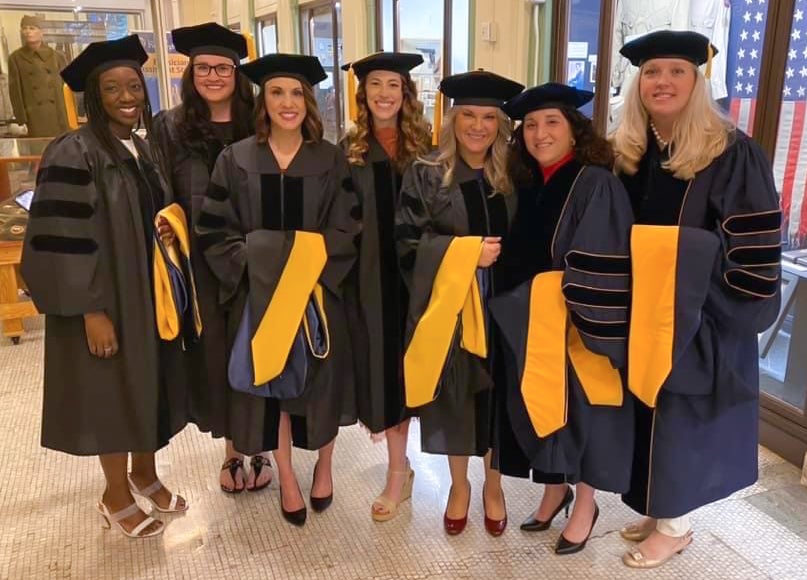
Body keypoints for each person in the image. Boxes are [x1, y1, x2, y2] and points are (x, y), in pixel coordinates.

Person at [611, 30, 781, 569]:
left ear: (697, 81)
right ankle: (659, 507)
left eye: (676, 72)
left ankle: (676, 525)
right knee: (648, 411)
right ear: (639, 85)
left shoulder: (731, 152)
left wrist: (700, 291)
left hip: (701, 314)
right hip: (647, 313)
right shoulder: (633, 155)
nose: (663, 82)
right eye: (652, 72)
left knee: (683, 415)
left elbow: (752, 248)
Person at [21, 35, 191, 539]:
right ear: (93, 96)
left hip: (146, 293)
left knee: (148, 384)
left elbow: (156, 208)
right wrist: (90, 310)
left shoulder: (141, 146)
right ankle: (114, 494)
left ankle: (145, 473)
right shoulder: (73, 151)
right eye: (112, 87)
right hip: (104, 299)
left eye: (133, 85)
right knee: (112, 394)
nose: (126, 95)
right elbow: (58, 238)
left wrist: (167, 226)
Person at [196, 53, 359, 527]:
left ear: (308, 102)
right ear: (262, 102)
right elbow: (215, 227)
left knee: (322, 386)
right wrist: (259, 264)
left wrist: (305, 266)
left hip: (316, 295)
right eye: (275, 93)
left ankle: (324, 467)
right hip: (260, 296)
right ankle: (287, 476)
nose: (287, 103)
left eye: (295, 93)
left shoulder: (330, 159)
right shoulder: (236, 158)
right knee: (271, 390)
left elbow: (347, 226)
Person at [490, 83, 635, 555]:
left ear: (575, 129)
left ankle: (586, 504)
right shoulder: (530, 181)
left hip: (576, 322)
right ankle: (555, 488)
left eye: (551, 122)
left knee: (582, 413)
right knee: (543, 408)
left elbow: (603, 257)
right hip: (528, 319)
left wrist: (580, 317)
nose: (539, 132)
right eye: (530, 125)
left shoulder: (595, 181)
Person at [395, 69, 523, 536]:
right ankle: (458, 485)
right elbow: (407, 243)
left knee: (497, 396)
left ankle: (493, 485)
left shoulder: (513, 170)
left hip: (504, 308)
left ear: (500, 124)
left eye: (489, 117)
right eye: (468, 114)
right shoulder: (427, 171)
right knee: (456, 395)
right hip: (451, 306)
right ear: (453, 119)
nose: (478, 126)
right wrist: (466, 254)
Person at [150, 22, 271, 495]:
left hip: (254, 258)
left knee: (259, 347)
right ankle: (232, 451)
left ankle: (260, 445)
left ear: (237, 73)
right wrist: (166, 221)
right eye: (204, 68)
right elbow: (161, 190)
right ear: (191, 72)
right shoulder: (171, 126)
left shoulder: (258, 123)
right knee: (218, 353)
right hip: (200, 262)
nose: (214, 76)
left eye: (223, 67)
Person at [340, 52, 432, 522]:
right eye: (375, 84)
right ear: (364, 92)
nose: (384, 94)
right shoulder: (349, 149)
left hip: (419, 281)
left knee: (416, 373)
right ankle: (399, 471)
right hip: (371, 282)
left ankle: (412, 471)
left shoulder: (427, 148)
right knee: (386, 375)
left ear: (406, 93)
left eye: (393, 85)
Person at [8, 15, 70, 137]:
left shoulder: (57, 56)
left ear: (42, 32)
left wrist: (71, 114)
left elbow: (67, 88)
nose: (28, 32)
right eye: (24, 28)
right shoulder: (15, 58)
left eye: (32, 28)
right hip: (34, 117)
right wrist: (21, 119)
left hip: (58, 115)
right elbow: (15, 91)